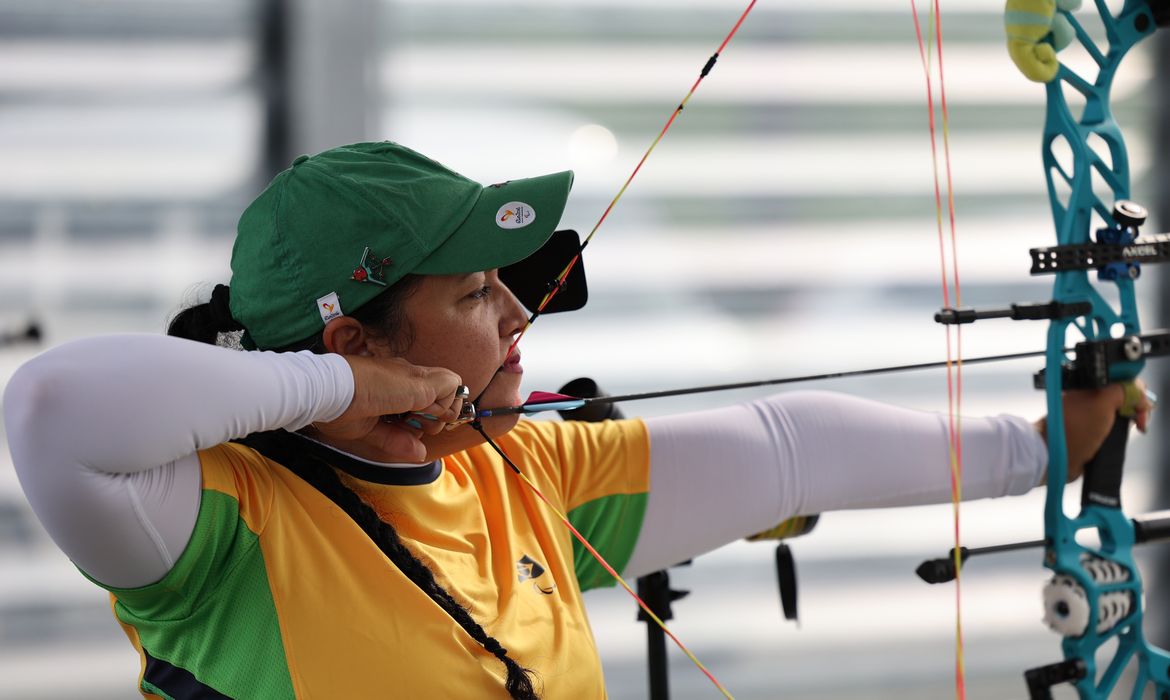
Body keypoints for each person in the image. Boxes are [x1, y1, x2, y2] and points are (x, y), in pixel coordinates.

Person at [1, 141, 1152, 700]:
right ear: (350, 339)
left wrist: (1048, 447)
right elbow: (51, 408)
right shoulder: (211, 530)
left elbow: (789, 446)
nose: (516, 313)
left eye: (508, 283)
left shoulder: (529, 472)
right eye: (470, 293)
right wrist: (344, 396)